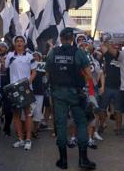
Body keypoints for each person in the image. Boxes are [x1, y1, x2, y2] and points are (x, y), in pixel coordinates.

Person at [46, 28, 96, 170]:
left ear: (61, 39)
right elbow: (88, 75)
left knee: (61, 125)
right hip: (76, 94)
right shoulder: (79, 53)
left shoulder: (53, 53)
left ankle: (63, 161)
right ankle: (83, 159)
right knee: (81, 123)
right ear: (72, 39)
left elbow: (47, 72)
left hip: (58, 94)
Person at [6, 35, 37, 151]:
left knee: (28, 114)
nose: (19, 43)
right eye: (17, 41)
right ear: (14, 44)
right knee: (16, 115)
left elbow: (34, 72)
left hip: (26, 88)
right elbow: (5, 69)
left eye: (21, 41)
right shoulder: (10, 56)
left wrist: (28, 82)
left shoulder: (30, 56)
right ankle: (20, 139)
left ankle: (28, 139)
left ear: (24, 44)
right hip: (13, 89)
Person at [98, 41, 123, 135]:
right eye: (114, 45)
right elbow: (102, 45)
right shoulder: (108, 54)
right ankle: (102, 125)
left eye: (117, 46)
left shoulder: (122, 56)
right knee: (102, 108)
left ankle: (118, 128)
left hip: (118, 87)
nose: (115, 47)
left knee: (118, 110)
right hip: (108, 86)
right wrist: (106, 39)